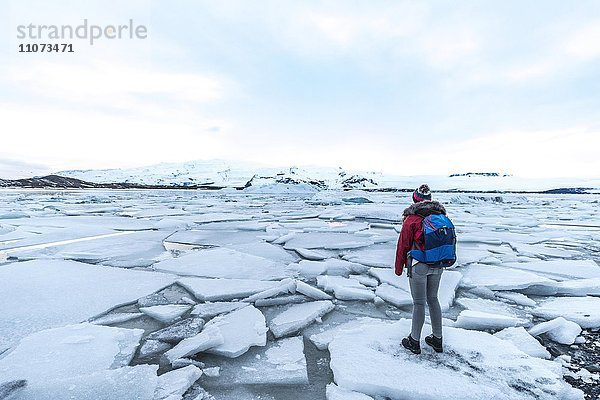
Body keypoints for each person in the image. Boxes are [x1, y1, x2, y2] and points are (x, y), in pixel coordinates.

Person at [395, 184, 446, 354]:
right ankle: (437, 339)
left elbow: (403, 245)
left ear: (414, 199)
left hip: (419, 265)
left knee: (419, 303)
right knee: (433, 299)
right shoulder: (440, 216)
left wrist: (398, 267)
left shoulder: (412, 219)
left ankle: (414, 341)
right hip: (438, 264)